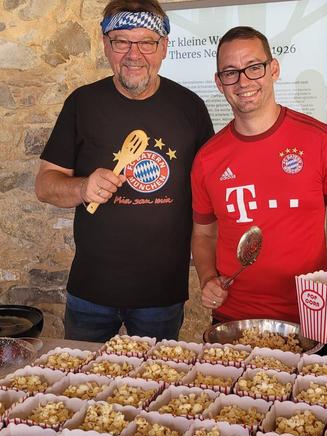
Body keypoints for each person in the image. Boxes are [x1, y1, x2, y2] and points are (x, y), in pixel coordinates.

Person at [35, 0, 214, 342]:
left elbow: (210, 196)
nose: (134, 54)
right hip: (91, 291)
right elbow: (45, 185)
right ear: (105, 45)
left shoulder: (191, 108)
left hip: (161, 294)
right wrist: (83, 187)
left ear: (163, 47)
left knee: (158, 388)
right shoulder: (82, 103)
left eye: (146, 42)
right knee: (81, 389)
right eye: (121, 41)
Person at [190, 26, 327, 355]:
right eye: (230, 72)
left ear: (274, 69)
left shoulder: (319, 141)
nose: (243, 81)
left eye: (253, 67)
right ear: (219, 82)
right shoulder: (207, 159)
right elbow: (203, 235)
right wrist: (207, 277)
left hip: (312, 319)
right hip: (234, 320)